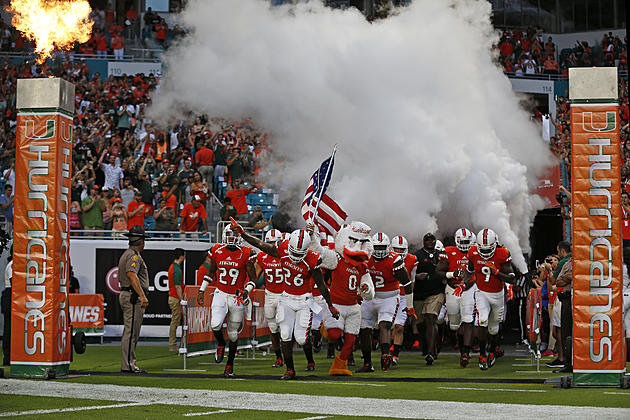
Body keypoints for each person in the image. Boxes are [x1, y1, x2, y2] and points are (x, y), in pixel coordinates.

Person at [233, 222, 339, 380]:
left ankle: (309, 359)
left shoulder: (313, 258)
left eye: (299, 253)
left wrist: (330, 306)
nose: (295, 257)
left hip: (304, 301)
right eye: (293, 252)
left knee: (302, 338)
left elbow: (322, 285)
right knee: (285, 334)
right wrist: (243, 234)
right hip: (286, 299)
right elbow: (260, 244)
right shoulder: (282, 248)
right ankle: (290, 370)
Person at [309, 222, 376, 376]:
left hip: (353, 307)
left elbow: (370, 292)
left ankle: (339, 366)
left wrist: (366, 290)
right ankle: (324, 327)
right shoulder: (336, 259)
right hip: (336, 304)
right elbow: (318, 251)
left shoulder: (362, 267)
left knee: (351, 341)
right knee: (334, 335)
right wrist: (313, 236)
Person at [197, 226, 257, 378]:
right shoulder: (216, 250)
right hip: (221, 293)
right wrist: (202, 290)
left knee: (233, 334)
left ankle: (229, 365)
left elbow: (253, 278)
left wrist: (247, 290)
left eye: (234, 235)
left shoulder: (246, 253)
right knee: (215, 324)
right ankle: (221, 344)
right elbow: (211, 273)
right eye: (229, 234)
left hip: (236, 296)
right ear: (224, 236)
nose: (231, 237)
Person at [462, 228, 515, 370]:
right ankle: (482, 353)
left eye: (488, 250)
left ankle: (492, 351)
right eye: (482, 250)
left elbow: (512, 277)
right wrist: (463, 283)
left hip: (497, 294)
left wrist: (497, 272)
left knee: (493, 329)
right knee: (482, 320)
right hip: (481, 292)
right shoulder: (473, 252)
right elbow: (470, 270)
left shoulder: (502, 253)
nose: (485, 253)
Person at [359, 232, 413, 372]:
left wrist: (410, 305)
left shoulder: (394, 259)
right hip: (369, 297)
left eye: (382, 247)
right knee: (364, 329)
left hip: (388, 297)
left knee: (385, 325)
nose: (379, 250)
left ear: (388, 247)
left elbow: (407, 283)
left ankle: (385, 356)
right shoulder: (364, 256)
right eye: (377, 247)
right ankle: (367, 363)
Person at [435, 228, 476, 367]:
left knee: (468, 320)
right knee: (454, 324)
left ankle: (465, 353)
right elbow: (438, 271)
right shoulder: (448, 251)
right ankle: (460, 345)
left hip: (469, 289)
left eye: (467, 241)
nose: (465, 244)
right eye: (462, 241)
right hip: (452, 289)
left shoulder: (475, 251)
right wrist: (452, 274)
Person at [118, 225, 149, 374]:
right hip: (132, 296)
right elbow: (131, 274)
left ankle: (129, 363)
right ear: (141, 241)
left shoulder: (129, 253)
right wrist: (142, 295)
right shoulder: (133, 255)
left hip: (129, 295)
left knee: (131, 332)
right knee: (131, 332)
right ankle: (129, 365)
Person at [413, 232, 447, 365]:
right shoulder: (417, 255)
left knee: (431, 319)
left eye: (432, 239)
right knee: (421, 323)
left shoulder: (441, 255)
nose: (430, 242)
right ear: (423, 241)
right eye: (427, 240)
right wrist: (417, 277)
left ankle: (431, 352)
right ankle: (427, 345)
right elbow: (409, 272)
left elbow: (446, 269)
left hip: (436, 292)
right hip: (420, 293)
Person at [254, 229, 285, 368]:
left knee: (284, 328)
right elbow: (255, 277)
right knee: (273, 328)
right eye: (269, 243)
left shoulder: (286, 255)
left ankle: (287, 357)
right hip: (270, 294)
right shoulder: (262, 256)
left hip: (285, 295)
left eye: (273, 242)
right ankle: (279, 358)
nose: (271, 245)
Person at [389, 235, 417, 365]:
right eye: (397, 249)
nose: (399, 252)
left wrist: (410, 301)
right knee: (387, 325)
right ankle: (387, 350)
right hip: (389, 295)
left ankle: (395, 355)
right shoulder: (386, 258)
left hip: (403, 296)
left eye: (402, 249)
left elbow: (412, 281)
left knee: (399, 327)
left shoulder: (412, 259)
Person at [552, 240, 573, 373]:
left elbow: (577, 276)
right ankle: (567, 362)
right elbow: (558, 281)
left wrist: (568, 277)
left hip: (576, 299)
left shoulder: (580, 262)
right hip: (566, 299)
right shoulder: (567, 262)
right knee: (565, 331)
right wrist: (568, 277)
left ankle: (571, 361)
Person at [168, 248, 186, 352]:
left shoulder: (173, 267)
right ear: (181, 256)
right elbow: (178, 286)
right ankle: (172, 345)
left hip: (173, 297)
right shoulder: (176, 269)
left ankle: (173, 344)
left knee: (175, 321)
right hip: (175, 298)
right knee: (175, 321)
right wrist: (181, 299)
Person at [2, 245, 12, 365]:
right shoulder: (14, 264)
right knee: (9, 328)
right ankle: (7, 356)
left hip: (9, 296)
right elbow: (14, 283)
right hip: (10, 297)